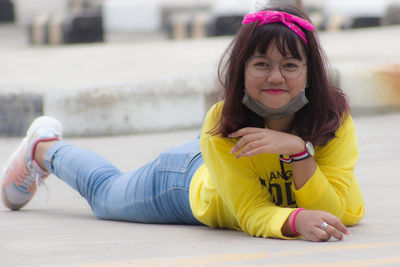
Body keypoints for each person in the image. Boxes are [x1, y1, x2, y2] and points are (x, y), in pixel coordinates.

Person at [1, 5, 364, 242]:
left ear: (310, 73)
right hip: (185, 184)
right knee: (106, 196)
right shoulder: (222, 123)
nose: (275, 77)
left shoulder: (332, 120)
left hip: (231, 156)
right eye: (260, 64)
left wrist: (298, 152)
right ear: (240, 70)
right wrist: (296, 221)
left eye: (289, 65)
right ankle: (44, 148)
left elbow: (333, 212)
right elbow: (252, 212)